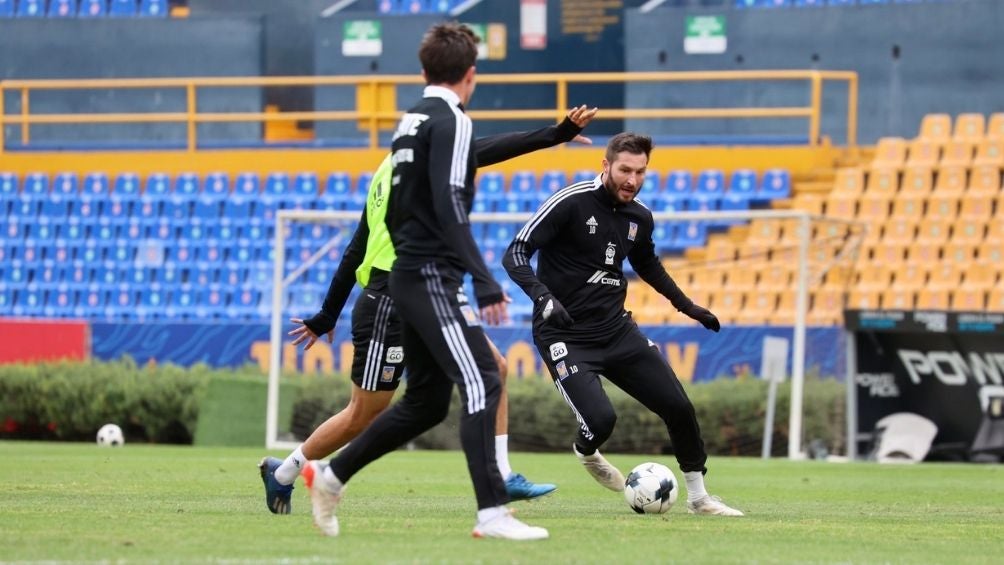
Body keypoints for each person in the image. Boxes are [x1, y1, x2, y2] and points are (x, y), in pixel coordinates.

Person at [258, 103, 599, 514]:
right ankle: (285, 473)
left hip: (424, 291)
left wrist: (554, 135)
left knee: (494, 368)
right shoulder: (404, 170)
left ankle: (503, 475)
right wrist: (328, 314)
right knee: (363, 414)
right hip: (387, 298)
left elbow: (485, 151)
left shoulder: (402, 166)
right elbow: (358, 247)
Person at [299, 22, 552, 540]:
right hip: (430, 274)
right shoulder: (454, 122)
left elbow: (396, 210)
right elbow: (448, 205)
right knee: (485, 378)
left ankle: (331, 475)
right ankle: (493, 513)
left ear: (423, 71)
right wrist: (481, 279)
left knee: (426, 404)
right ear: (472, 75)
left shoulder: (410, 121)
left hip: (408, 275)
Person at [501, 132, 744, 517]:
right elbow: (515, 251)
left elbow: (648, 264)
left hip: (616, 331)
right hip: (564, 334)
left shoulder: (640, 217)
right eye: (625, 170)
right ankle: (586, 449)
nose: (632, 179)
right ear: (605, 165)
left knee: (678, 406)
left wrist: (687, 306)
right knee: (601, 420)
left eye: (641, 172)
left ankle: (700, 499)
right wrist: (543, 297)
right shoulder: (571, 202)